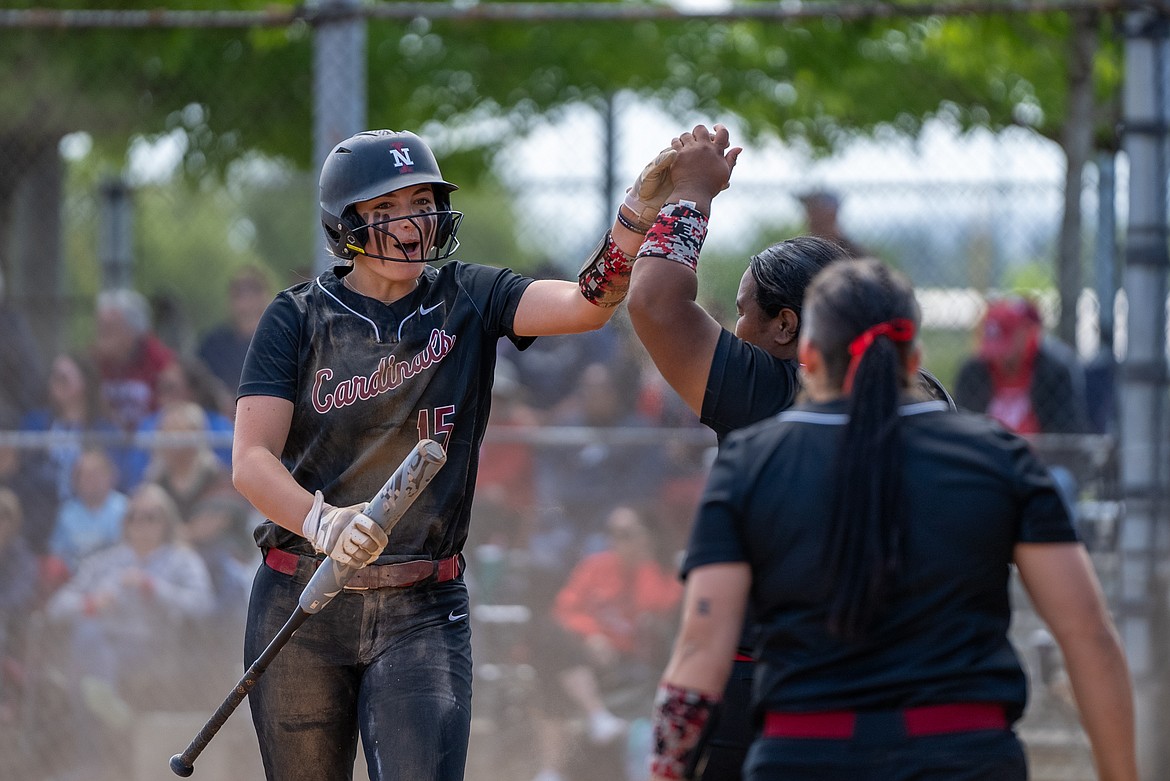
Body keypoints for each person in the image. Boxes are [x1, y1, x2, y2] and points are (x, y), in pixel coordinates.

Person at [230, 125, 735, 781]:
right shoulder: (296, 316)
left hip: (422, 607)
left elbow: (588, 305)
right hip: (300, 596)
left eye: (421, 202)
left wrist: (637, 216)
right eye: (386, 209)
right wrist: (323, 521)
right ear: (345, 224)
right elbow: (251, 459)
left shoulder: (466, 294)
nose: (411, 224)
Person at [647, 258, 1136, 781]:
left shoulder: (752, 463)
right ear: (916, 357)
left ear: (808, 354)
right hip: (963, 754)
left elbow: (699, 653)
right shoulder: (998, 458)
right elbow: (1089, 636)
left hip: (803, 753)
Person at [529, 504, 683, 781]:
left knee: (551, 666)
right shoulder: (596, 565)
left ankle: (552, 770)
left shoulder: (662, 575)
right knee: (549, 640)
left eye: (625, 533)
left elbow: (655, 616)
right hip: (587, 652)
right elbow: (565, 609)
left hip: (629, 659)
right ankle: (596, 716)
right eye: (611, 533)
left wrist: (644, 565)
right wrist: (593, 636)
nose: (615, 541)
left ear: (647, 536)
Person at [953, 295, 1091, 435]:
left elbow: (1067, 434)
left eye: (1005, 346)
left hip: (1039, 455)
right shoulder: (974, 371)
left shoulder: (1053, 370)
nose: (999, 357)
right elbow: (962, 427)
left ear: (1024, 334)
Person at [92, 288, 176, 436]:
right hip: (110, 444)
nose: (101, 338)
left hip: (151, 440)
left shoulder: (161, 361)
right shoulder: (94, 362)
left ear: (133, 330)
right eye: (100, 329)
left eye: (109, 329)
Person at [197, 264, 276, 401]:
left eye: (253, 291)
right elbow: (200, 378)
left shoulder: (279, 339)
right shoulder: (214, 343)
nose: (246, 301)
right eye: (239, 293)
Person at [49, 447, 129, 573]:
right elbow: (58, 552)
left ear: (111, 476)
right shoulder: (67, 513)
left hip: (116, 576)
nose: (90, 479)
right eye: (84, 474)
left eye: (95, 473)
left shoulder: (125, 508)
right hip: (76, 576)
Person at [797, 189, 869, 260]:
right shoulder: (800, 251)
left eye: (813, 206)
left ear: (831, 214)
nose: (808, 215)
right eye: (808, 207)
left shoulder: (853, 255)